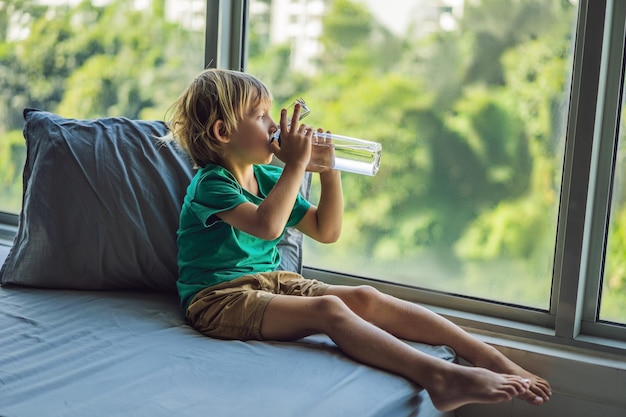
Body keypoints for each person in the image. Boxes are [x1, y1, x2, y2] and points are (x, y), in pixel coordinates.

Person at [166, 68, 552, 412]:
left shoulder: (266, 179)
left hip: (274, 284)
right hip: (219, 299)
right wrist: (297, 165)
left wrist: (328, 170)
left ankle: (488, 357)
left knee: (365, 297)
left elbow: (326, 231)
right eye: (261, 115)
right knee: (329, 310)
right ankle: (440, 379)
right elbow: (268, 226)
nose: (274, 125)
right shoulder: (211, 184)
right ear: (223, 132)